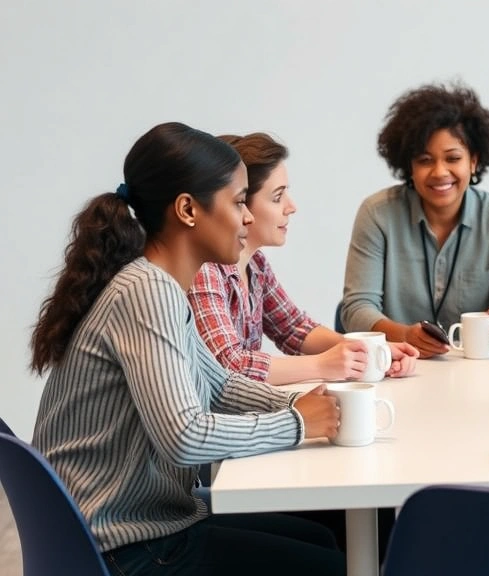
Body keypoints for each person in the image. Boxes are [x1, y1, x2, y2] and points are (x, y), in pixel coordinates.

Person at [29, 122, 346, 575]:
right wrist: (297, 423)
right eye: (239, 202)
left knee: (324, 537)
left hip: (136, 524)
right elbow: (184, 436)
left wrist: (306, 404)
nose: (249, 218)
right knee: (331, 565)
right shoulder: (146, 291)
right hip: (121, 545)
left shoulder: (159, 287)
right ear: (188, 210)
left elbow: (221, 387)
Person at [187, 132, 418, 385]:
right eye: (277, 197)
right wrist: (322, 365)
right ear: (240, 202)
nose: (291, 206)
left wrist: (369, 351)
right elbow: (230, 366)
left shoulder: (256, 264)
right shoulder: (205, 270)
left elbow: (294, 327)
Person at [341, 82, 489, 358]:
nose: (439, 172)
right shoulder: (377, 214)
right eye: (425, 160)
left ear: (473, 161)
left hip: (478, 370)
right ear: (408, 166)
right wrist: (404, 335)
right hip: (396, 366)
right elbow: (356, 308)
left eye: (453, 158)